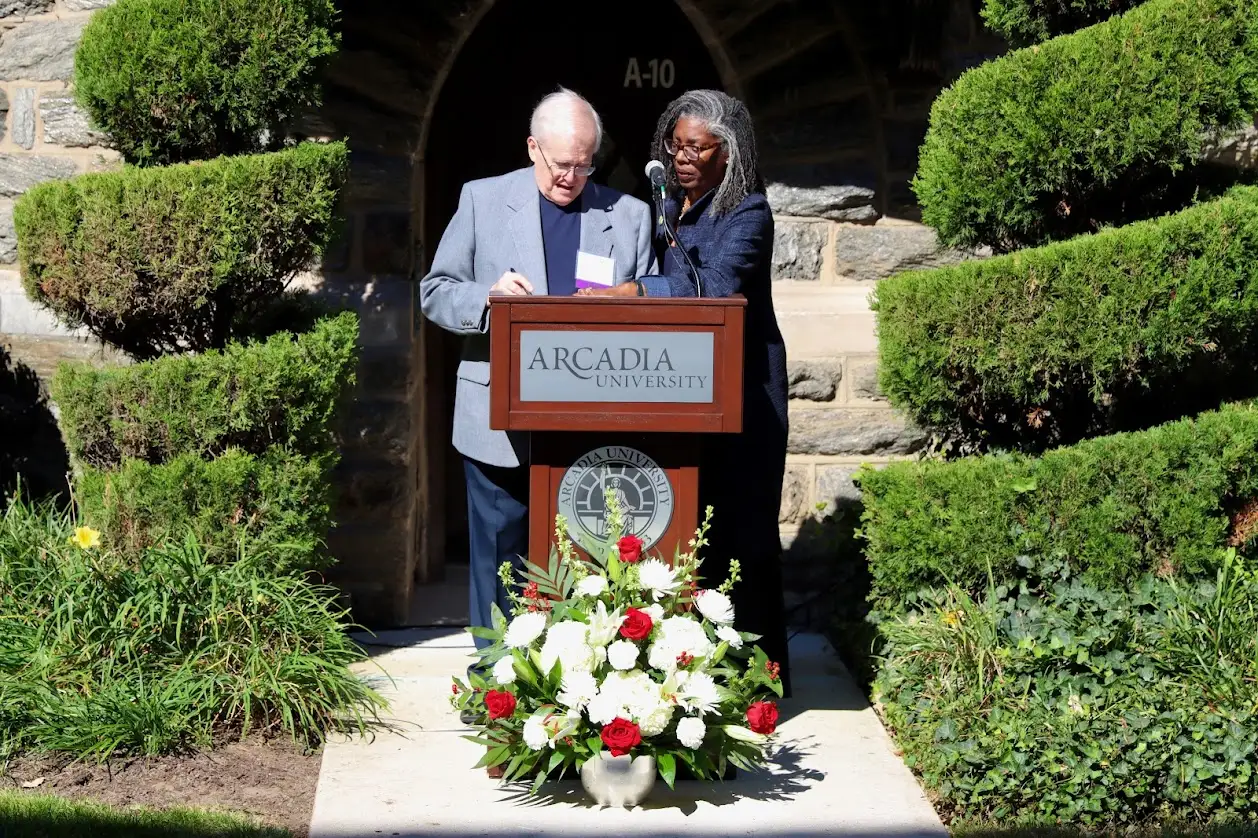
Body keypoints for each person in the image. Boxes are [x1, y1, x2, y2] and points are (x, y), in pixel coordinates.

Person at [418, 88, 655, 709]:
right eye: (559, 165)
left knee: (588, 560)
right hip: (498, 418)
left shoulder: (629, 215)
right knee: (498, 559)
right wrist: (490, 300)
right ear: (532, 149)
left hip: (592, 426)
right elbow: (436, 291)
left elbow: (652, 311)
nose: (572, 177)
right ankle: (500, 691)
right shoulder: (483, 199)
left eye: (585, 164)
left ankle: (584, 699)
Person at [576, 89, 792, 696]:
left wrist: (632, 292)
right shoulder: (668, 204)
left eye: (698, 147)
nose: (682, 157)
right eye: (676, 145)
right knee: (690, 530)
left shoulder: (749, 212)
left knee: (742, 534)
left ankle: (759, 683)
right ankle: (692, 682)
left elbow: (717, 285)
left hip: (745, 396)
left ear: (730, 152)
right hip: (683, 395)